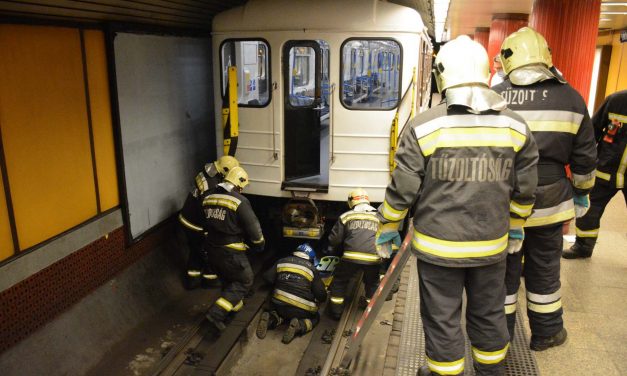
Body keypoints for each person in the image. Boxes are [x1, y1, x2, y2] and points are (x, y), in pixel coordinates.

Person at [377, 35, 539, 376]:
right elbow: (525, 188)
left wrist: (389, 225)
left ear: (443, 74)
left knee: (442, 317)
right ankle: (491, 371)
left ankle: (444, 372)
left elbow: (403, 188)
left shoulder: (425, 126)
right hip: (492, 247)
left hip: (438, 250)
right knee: (489, 313)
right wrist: (516, 223)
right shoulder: (516, 126)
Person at [493, 27, 597, 350]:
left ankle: (500, 336)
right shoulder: (572, 97)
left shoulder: (495, 96)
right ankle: (547, 331)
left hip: (505, 203)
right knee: (545, 270)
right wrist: (581, 192)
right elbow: (585, 157)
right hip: (552, 201)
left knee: (503, 272)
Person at [563, 90, 627, 259]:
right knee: (589, 210)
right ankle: (583, 246)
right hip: (605, 170)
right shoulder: (616, 101)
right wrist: (586, 161)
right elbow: (592, 131)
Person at [202, 166, 265, 334]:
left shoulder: (208, 197)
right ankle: (216, 314)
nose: (242, 190)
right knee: (244, 281)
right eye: (242, 187)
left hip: (211, 248)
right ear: (239, 183)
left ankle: (233, 310)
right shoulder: (239, 201)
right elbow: (253, 227)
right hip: (231, 251)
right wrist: (259, 244)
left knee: (229, 281)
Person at [178, 155, 239, 289]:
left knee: (196, 249)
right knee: (206, 250)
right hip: (195, 224)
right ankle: (210, 280)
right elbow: (209, 211)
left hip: (187, 218)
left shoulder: (206, 174)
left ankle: (193, 280)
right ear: (224, 170)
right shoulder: (210, 188)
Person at [327, 188, 382, 320]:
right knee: (372, 283)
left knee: (340, 282)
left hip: (350, 258)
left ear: (351, 202)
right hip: (373, 259)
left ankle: (336, 312)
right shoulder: (380, 217)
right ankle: (370, 310)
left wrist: (336, 249)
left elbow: (334, 240)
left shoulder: (346, 216)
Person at [256, 243, 327, 344]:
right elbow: (321, 295)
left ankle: (270, 320)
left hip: (279, 305)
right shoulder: (312, 269)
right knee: (315, 318)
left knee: (281, 315)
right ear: (310, 258)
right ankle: (300, 326)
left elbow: (267, 278)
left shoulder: (282, 261)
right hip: (301, 310)